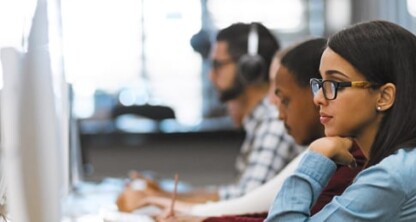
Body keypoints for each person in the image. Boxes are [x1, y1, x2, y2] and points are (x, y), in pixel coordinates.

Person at [116, 22, 302, 212]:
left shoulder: (274, 122)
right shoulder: (260, 122)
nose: (211, 75)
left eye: (218, 65)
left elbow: (243, 204)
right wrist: (162, 194)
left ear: (249, 68)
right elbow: (234, 194)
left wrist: (155, 199)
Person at [266, 20, 416, 221]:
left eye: (335, 83)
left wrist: (317, 156)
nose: (318, 98)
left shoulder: (390, 177)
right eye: (320, 83)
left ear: (384, 96)